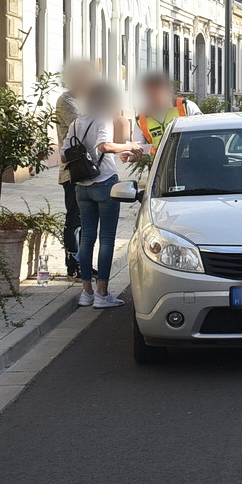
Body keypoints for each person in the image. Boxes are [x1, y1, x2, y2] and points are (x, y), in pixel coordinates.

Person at [65, 82, 141, 308]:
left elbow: (63, 156)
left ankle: (86, 292)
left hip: (82, 186)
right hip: (105, 183)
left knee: (87, 238)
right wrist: (128, 145)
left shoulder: (75, 124)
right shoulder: (102, 119)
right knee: (107, 239)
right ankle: (102, 293)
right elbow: (104, 146)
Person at [54, 61, 97, 279]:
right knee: (75, 220)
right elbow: (81, 129)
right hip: (73, 171)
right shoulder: (66, 101)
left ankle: (87, 263)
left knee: (88, 221)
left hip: (91, 170)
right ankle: (74, 264)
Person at [132, 71, 201, 163]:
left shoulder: (186, 107)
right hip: (161, 170)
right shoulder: (142, 120)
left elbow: (203, 137)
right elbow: (137, 150)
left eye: (155, 94)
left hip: (191, 164)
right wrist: (131, 156)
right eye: (148, 95)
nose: (152, 98)